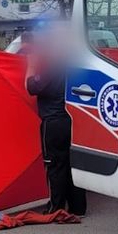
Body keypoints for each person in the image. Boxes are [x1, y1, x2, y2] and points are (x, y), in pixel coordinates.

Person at [25, 27, 86, 216]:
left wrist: (31, 66)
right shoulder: (75, 66)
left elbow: (31, 87)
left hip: (53, 122)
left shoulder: (53, 68)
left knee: (54, 165)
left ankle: (56, 206)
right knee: (71, 163)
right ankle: (78, 206)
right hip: (72, 121)